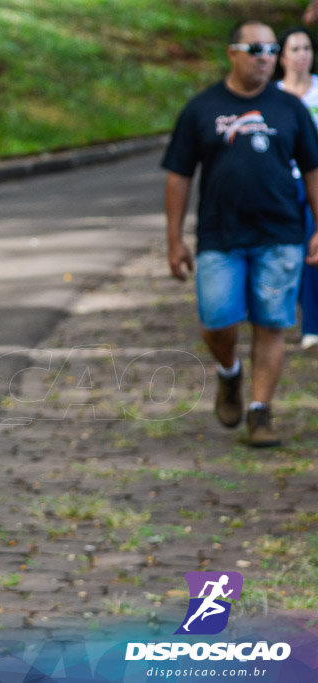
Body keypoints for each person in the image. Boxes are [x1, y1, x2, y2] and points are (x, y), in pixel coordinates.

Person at [162, 20, 318, 448]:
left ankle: (260, 411)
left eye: (271, 49)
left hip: (280, 233)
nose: (265, 56)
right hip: (220, 236)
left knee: (271, 324)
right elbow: (179, 176)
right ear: (232, 52)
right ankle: (229, 372)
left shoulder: (291, 109)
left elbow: (313, 171)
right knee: (218, 321)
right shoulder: (202, 108)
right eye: (255, 48)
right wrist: (174, 239)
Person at [274, 26, 318, 349]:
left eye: (307, 48)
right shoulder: (272, 96)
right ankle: (292, 317)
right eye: (295, 49)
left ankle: (313, 325)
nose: (303, 55)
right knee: (291, 254)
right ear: (281, 57)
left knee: (314, 251)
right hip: (283, 184)